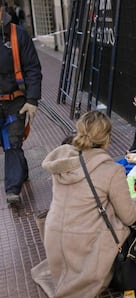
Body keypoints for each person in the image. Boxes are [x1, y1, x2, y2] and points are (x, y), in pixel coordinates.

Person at [31, 111, 136, 298]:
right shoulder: (111, 170)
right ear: (107, 138)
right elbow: (128, 216)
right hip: (85, 245)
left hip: (54, 239)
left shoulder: (63, 163)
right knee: (131, 225)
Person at [0, 2, 42, 204]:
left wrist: (32, 100)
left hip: (16, 100)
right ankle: (21, 170)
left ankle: (12, 190)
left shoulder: (18, 35)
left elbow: (33, 68)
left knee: (12, 142)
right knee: (7, 144)